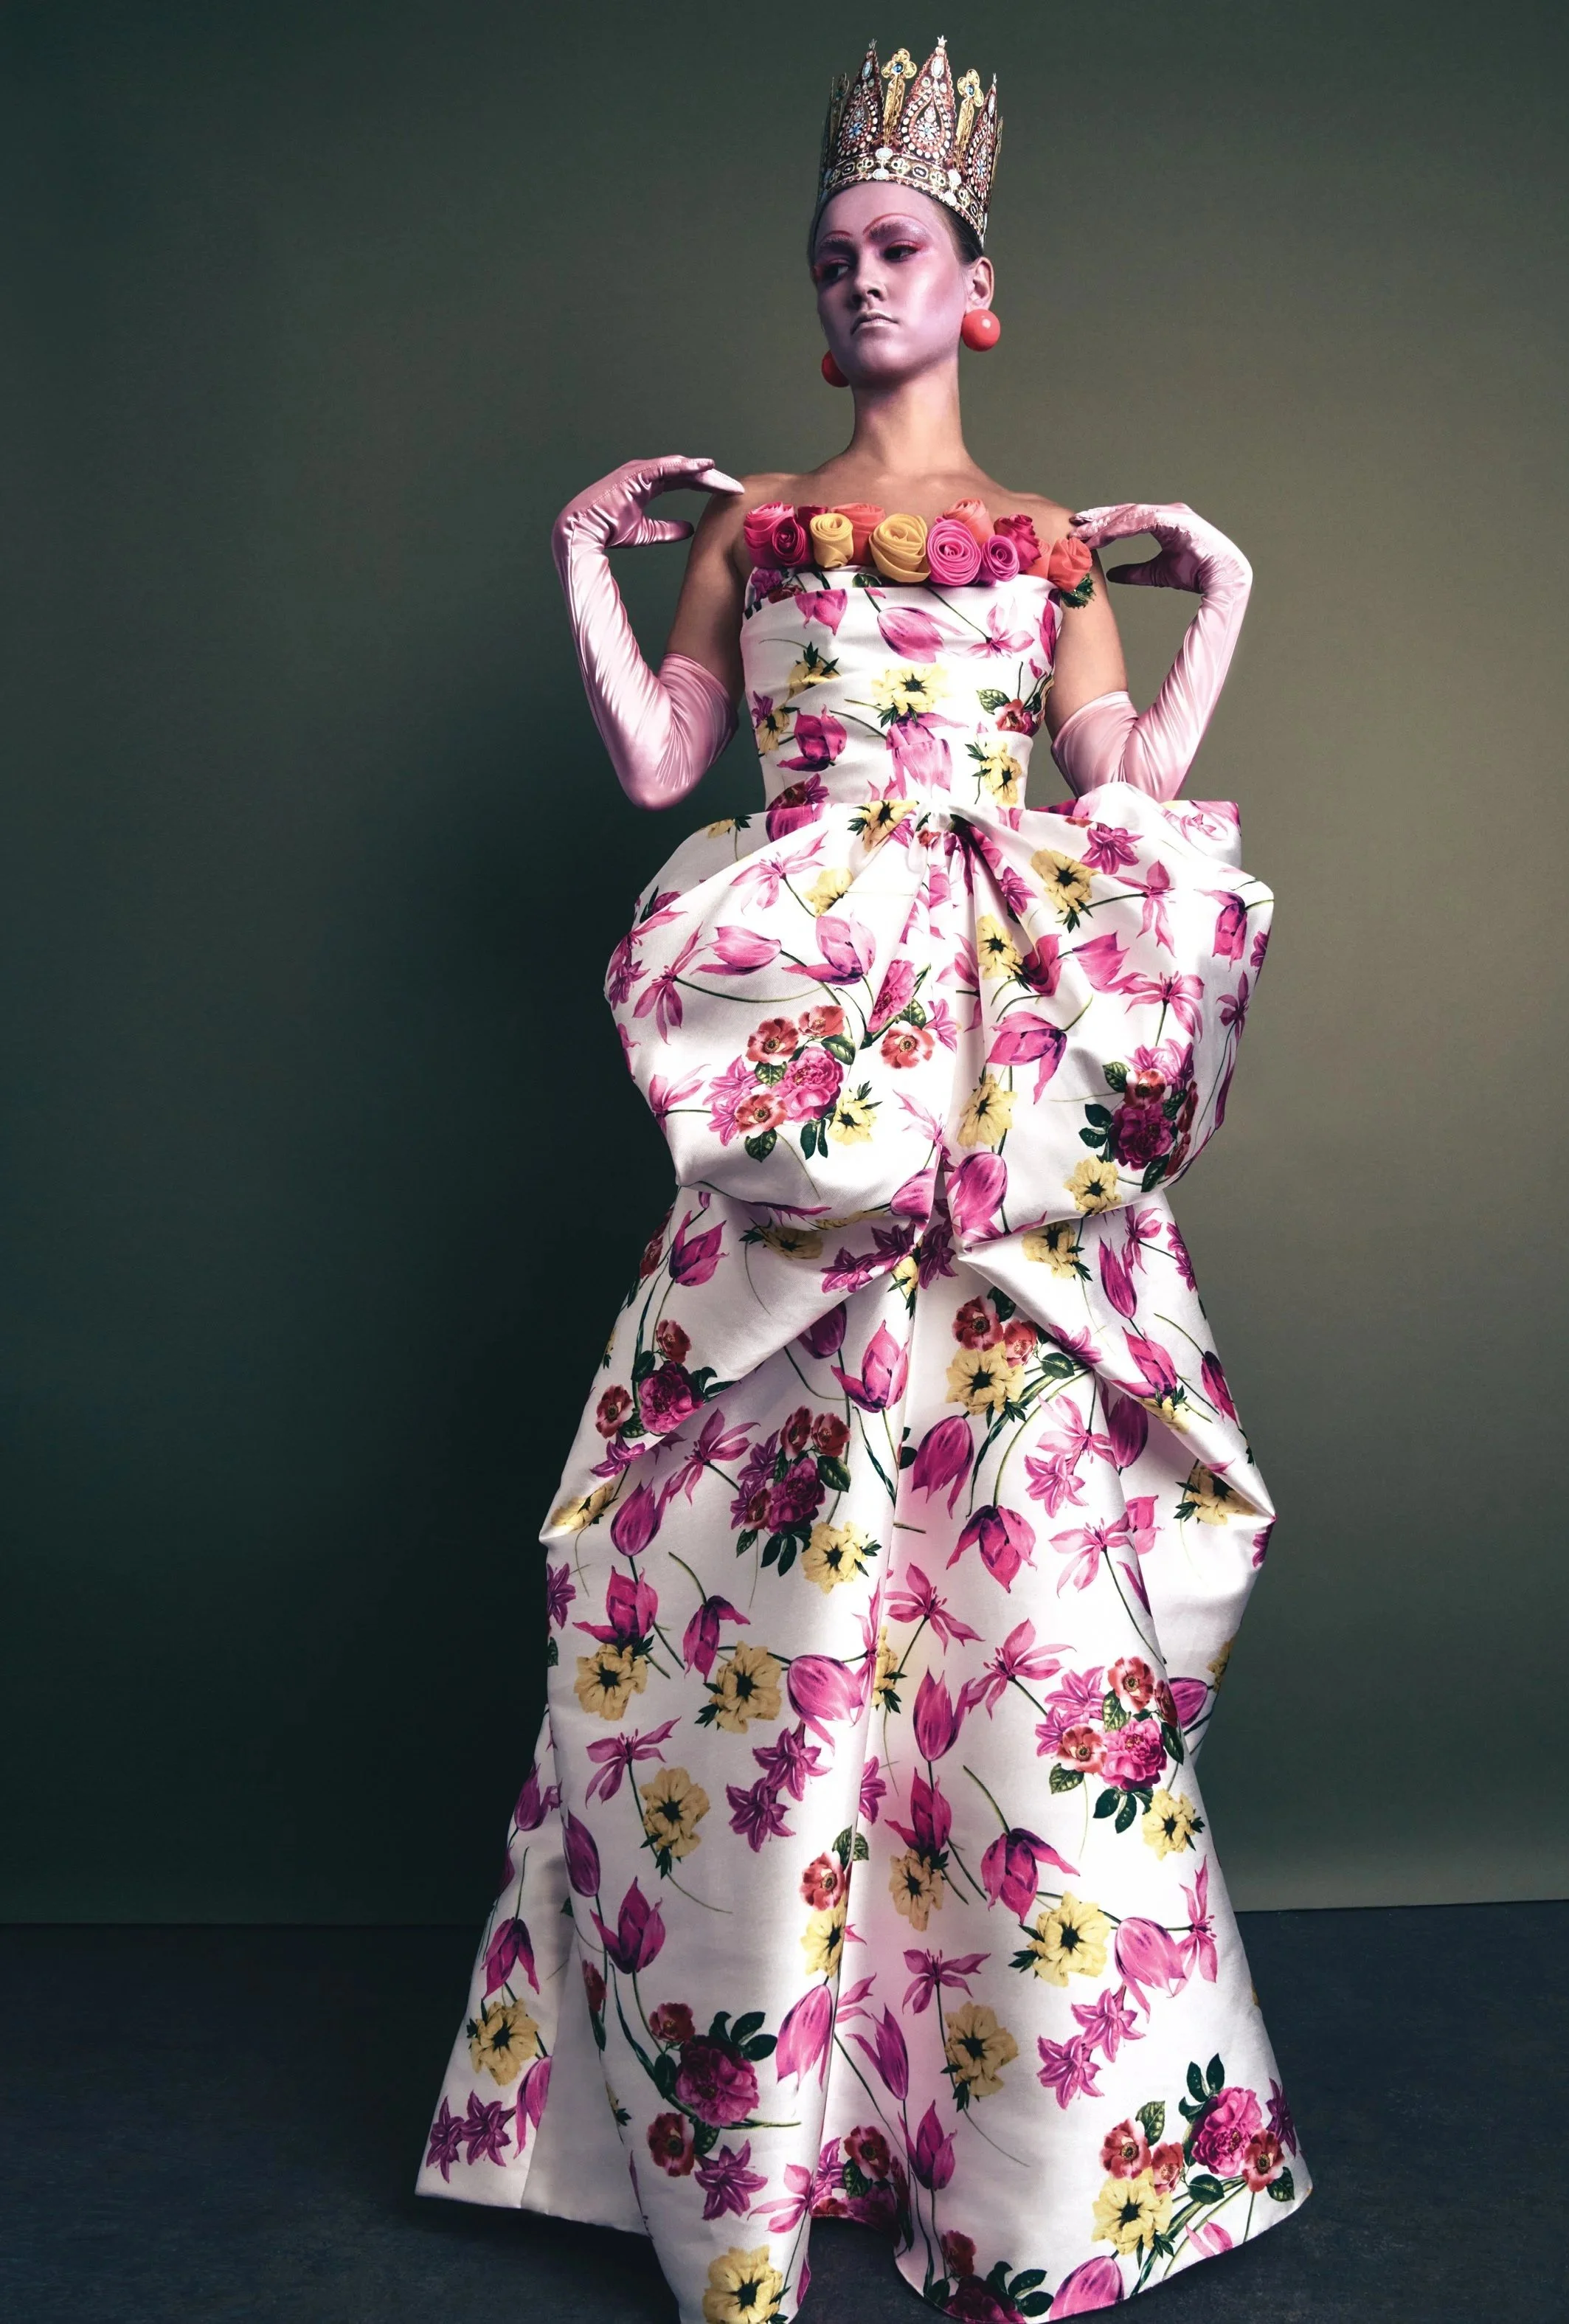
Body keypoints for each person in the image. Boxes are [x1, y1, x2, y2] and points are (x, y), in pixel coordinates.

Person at [420, 37, 1307, 2321]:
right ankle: (757, 2112)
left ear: (975, 282)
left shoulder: (1050, 545)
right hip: (817, 1060)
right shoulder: (760, 529)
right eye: (832, 258)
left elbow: (1123, 809)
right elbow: (662, 767)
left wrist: (1213, 604)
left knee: (1022, 1578)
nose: (861, 280)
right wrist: (584, 558)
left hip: (993, 1074)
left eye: (896, 246)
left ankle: (1003, 2141)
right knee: (753, 1569)